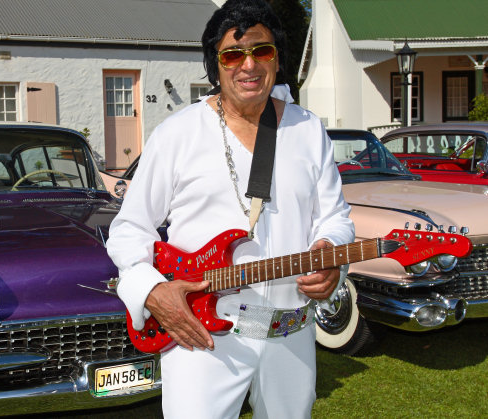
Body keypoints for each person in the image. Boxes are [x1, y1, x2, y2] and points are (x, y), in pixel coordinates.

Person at [106, 0, 355, 417]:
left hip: (292, 334)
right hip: (203, 335)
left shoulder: (309, 130)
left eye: (262, 50)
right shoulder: (178, 133)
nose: (249, 65)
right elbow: (130, 228)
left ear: (278, 58)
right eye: (233, 54)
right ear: (215, 64)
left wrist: (331, 254)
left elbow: (334, 218)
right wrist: (152, 291)